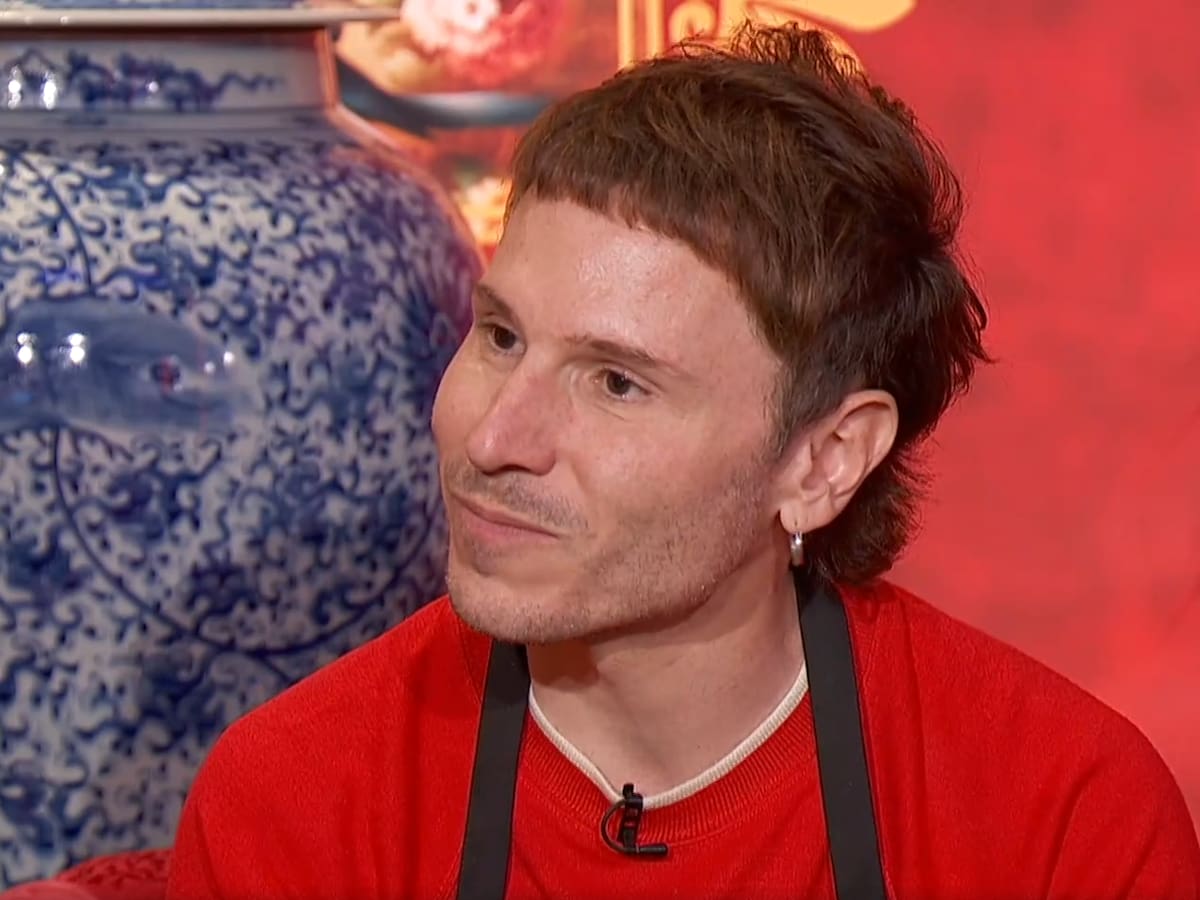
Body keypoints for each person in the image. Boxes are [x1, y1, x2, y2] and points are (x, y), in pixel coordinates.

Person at [165, 21, 1200, 900]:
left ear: (824, 462)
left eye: (618, 383)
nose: (493, 439)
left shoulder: (1062, 824)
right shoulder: (295, 806)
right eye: (502, 337)